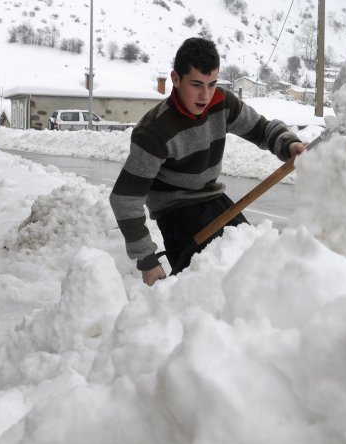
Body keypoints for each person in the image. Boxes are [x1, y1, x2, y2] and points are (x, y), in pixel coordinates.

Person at [110, 37, 306, 286]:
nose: (205, 95)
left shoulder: (221, 103)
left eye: (212, 84)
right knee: (211, 283)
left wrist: (288, 144)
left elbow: (261, 129)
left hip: (215, 200)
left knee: (256, 260)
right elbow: (124, 199)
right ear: (176, 79)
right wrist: (147, 261)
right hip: (177, 213)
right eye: (196, 85)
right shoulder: (154, 131)